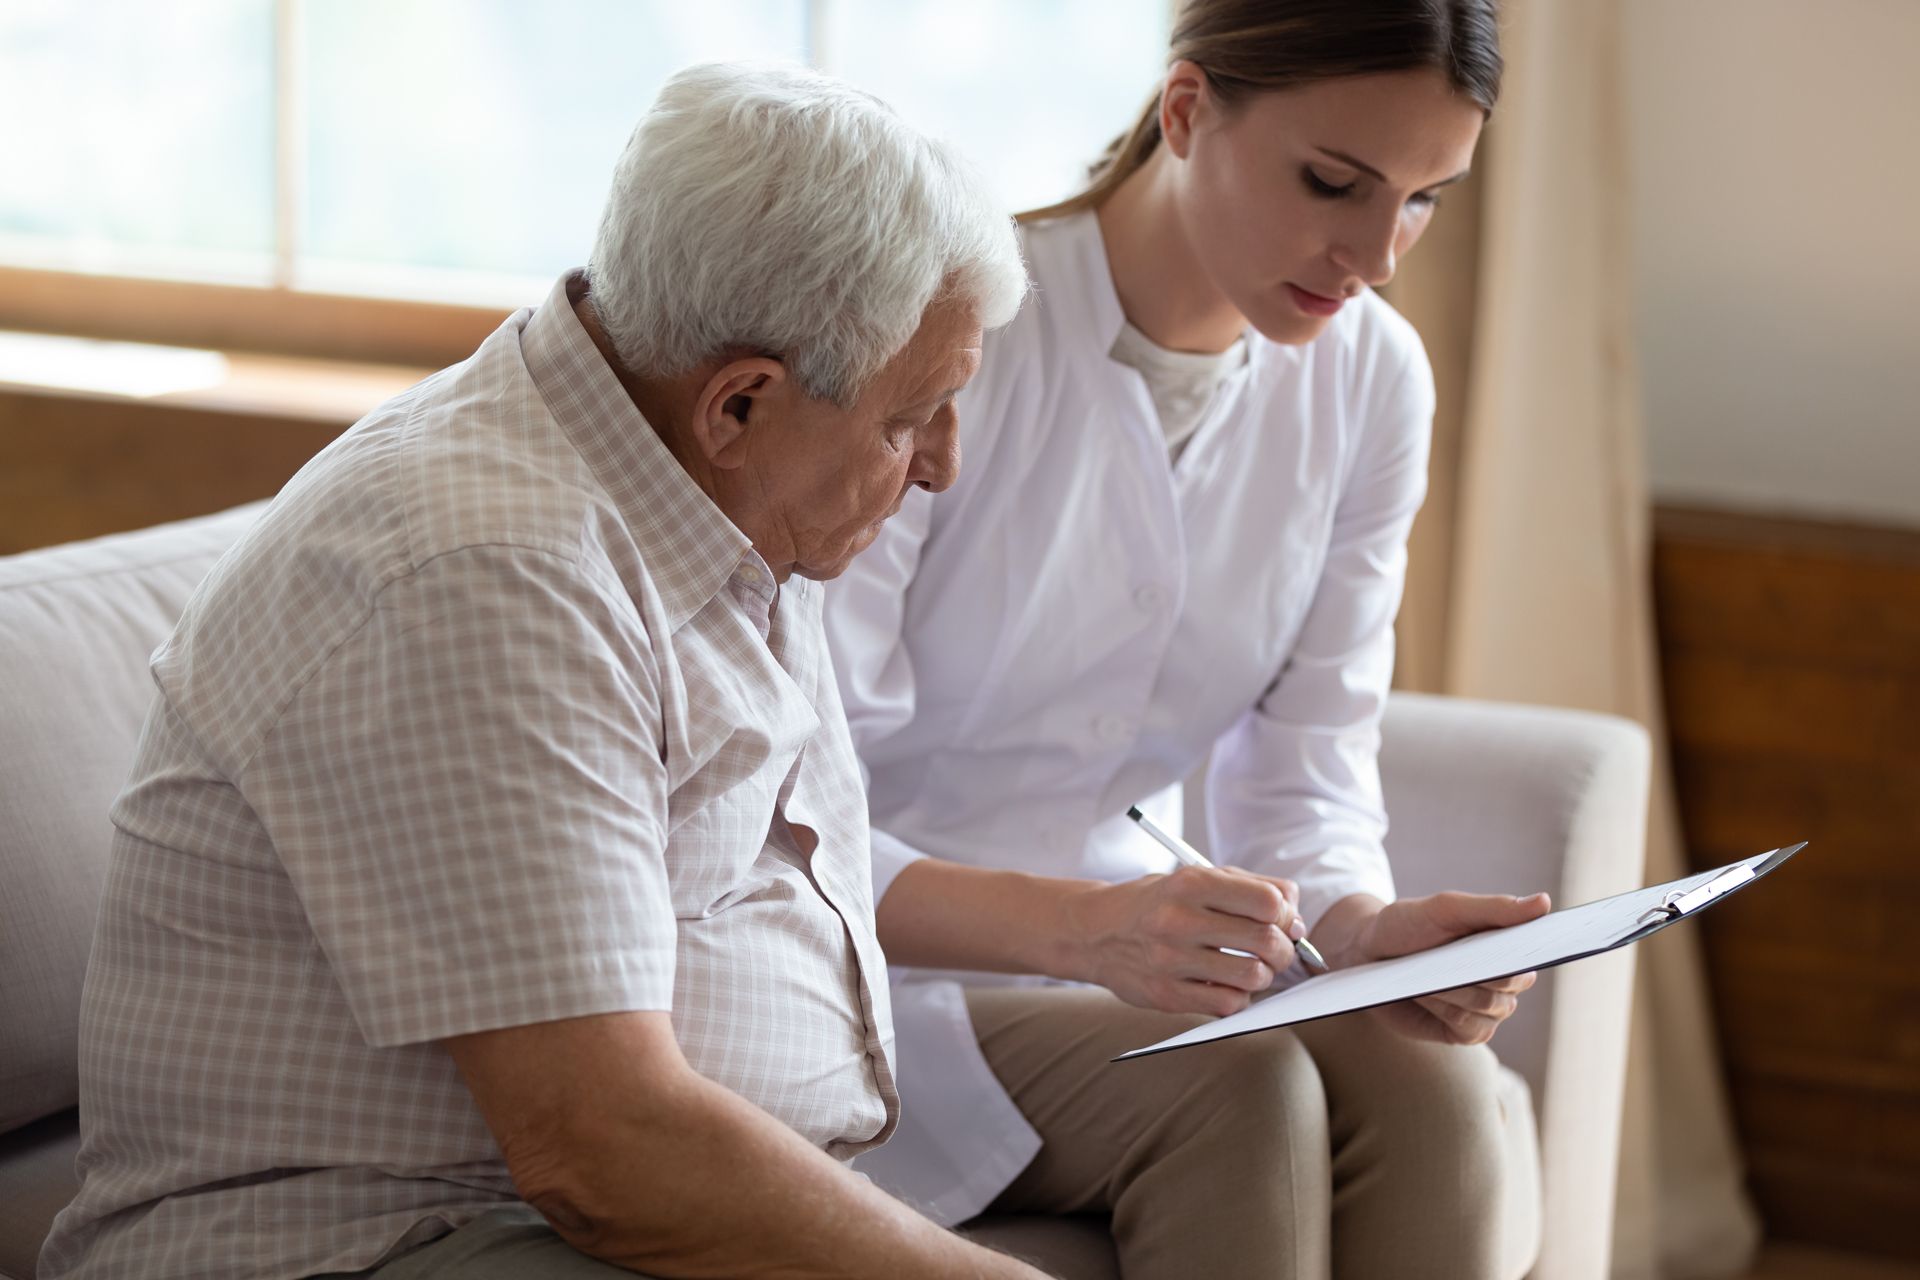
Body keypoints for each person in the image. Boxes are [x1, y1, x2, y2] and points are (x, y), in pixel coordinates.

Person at [38, 63, 1043, 1280]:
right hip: (373, 1236)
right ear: (738, 403)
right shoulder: (488, 569)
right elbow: (602, 1149)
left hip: (571, 1195)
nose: (938, 464)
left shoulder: (704, 480)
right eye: (907, 419)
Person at [821, 2, 1552, 1276]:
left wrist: (1367, 930)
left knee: (1438, 1089)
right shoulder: (953, 337)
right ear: (1185, 110)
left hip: (1143, 964)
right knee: (1248, 1094)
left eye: (1426, 198)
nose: (1379, 252)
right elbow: (796, 806)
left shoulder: (1373, 381)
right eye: (1336, 181)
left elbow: (1310, 765)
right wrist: (1090, 927)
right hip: (876, 970)